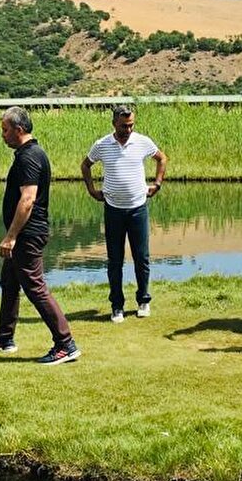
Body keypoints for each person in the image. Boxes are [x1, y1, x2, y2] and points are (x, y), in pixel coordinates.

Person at [0, 106, 79, 365]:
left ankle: (66, 344)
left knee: (35, 287)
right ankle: (4, 337)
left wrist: (11, 236)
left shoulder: (29, 157)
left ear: (19, 130)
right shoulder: (28, 153)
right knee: (9, 283)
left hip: (27, 234)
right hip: (24, 233)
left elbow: (28, 199)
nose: (3, 135)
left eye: (5, 129)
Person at [81, 104, 168, 322]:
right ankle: (117, 306)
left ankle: (143, 301)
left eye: (131, 125)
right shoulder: (102, 144)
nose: (127, 130)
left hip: (138, 207)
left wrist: (157, 184)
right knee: (115, 260)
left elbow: (162, 158)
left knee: (142, 257)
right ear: (114, 124)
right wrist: (92, 190)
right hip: (113, 209)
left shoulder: (142, 141)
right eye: (123, 126)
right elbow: (85, 166)